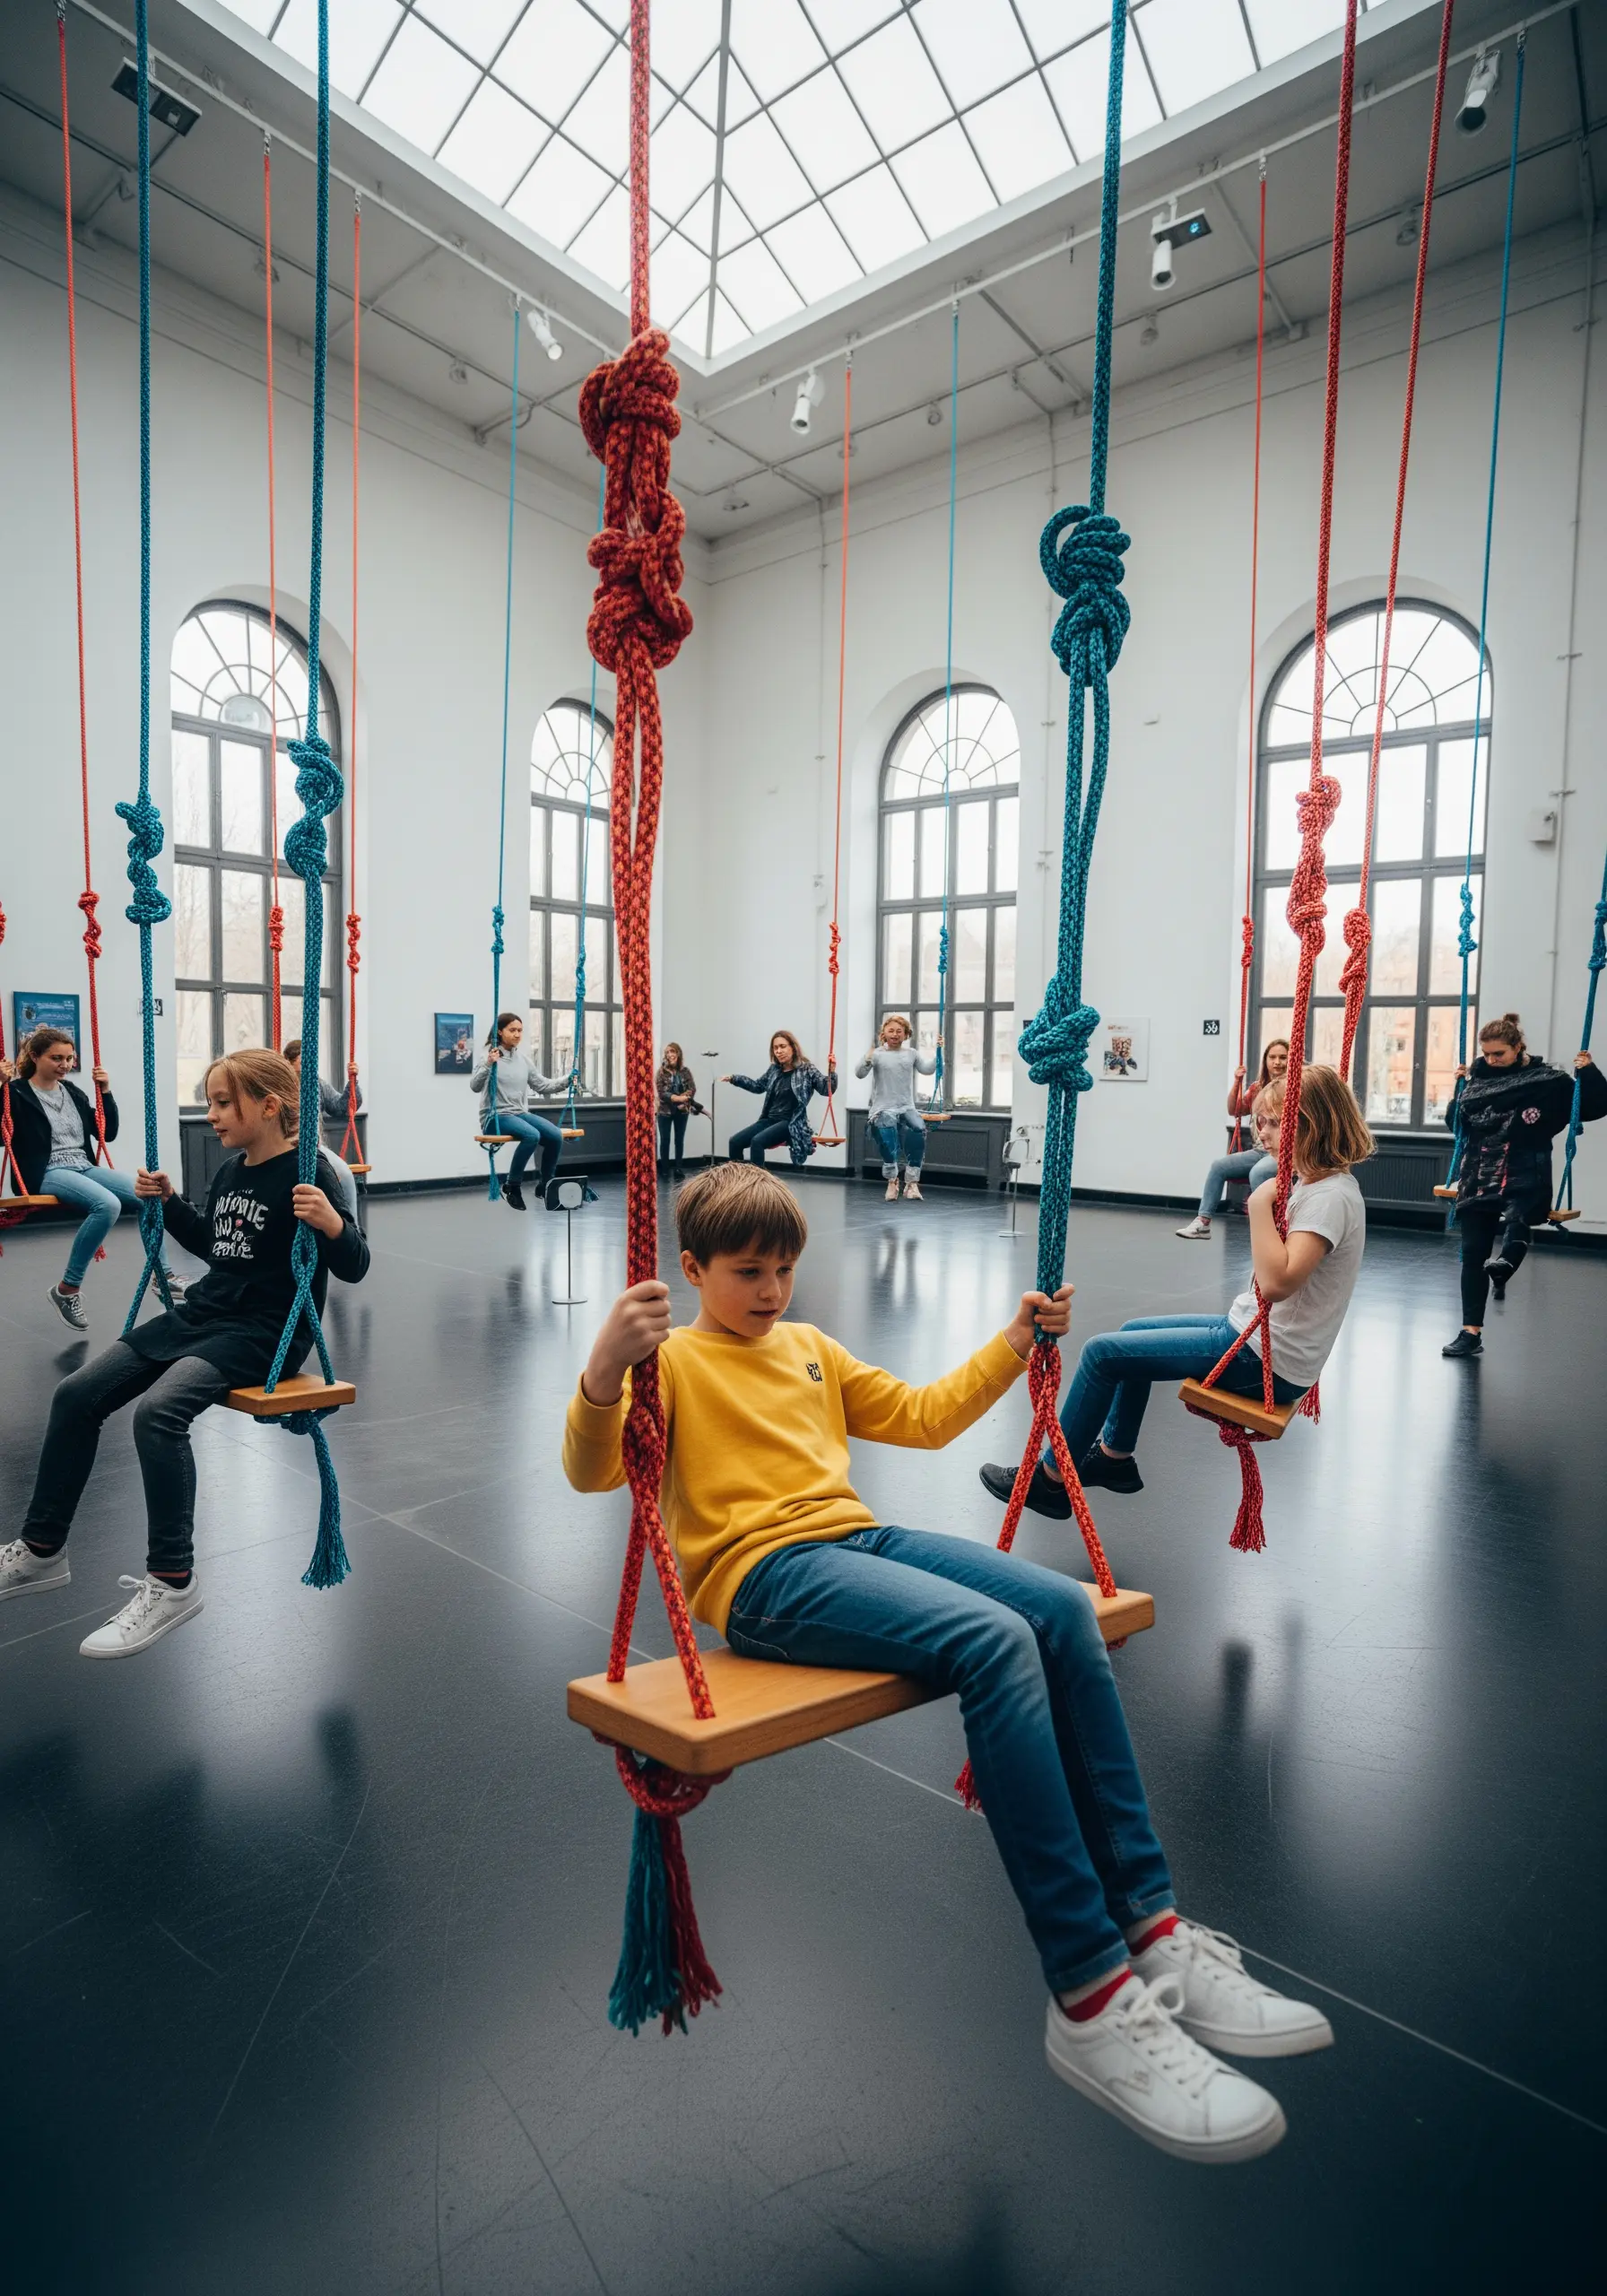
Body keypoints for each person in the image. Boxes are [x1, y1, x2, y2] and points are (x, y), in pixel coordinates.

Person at [565, 1162, 1330, 2162]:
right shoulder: (670, 1364)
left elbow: (923, 1417)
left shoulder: (805, 1347)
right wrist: (603, 1371)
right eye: (748, 1271)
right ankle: (1089, 1992)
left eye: (784, 1269)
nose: (770, 1290)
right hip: (761, 1580)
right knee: (991, 1638)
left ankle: (1150, 1924)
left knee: (1058, 1607)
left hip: (856, 1540)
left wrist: (1016, 1344)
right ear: (692, 1267)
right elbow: (591, 1470)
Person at [0, 1048, 369, 1658]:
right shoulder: (230, 1172)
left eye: (224, 1103)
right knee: (76, 1395)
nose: (213, 1114)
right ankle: (42, 1550)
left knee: (159, 1412)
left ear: (270, 1106)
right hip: (205, 1313)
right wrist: (169, 1205)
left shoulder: (312, 1175)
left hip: (263, 1332)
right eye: (212, 1102)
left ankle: (173, 1582)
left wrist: (331, 1223)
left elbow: (354, 1265)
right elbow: (215, 1247)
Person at [982, 1065, 1371, 1509]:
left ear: (1312, 1124)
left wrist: (1260, 1204)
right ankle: (1114, 1457)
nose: (1261, 1134)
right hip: (1252, 1340)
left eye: (1274, 1122)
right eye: (1259, 1121)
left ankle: (1048, 1481)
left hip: (1266, 1362)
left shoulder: (1329, 1197)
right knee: (1130, 1333)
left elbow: (1279, 1282)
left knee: (1100, 1354)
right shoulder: (1314, 1185)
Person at [1440, 1012, 1605, 1359]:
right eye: (1486, 1054)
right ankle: (1471, 1332)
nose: (1490, 1060)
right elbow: (1457, 1126)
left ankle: (1506, 1265)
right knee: (1472, 1254)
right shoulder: (1476, 1081)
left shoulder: (1547, 1082)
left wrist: (1588, 1072)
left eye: (1498, 1053)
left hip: (1526, 1169)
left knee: (1521, 1213)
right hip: (1479, 1172)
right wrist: (1457, 1091)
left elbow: (1592, 1106)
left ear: (1518, 1047)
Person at [0, 1023, 178, 1328]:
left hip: (83, 1166)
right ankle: (67, 1289)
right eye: (57, 1058)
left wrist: (106, 1092)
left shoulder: (72, 1092)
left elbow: (107, 1132)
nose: (65, 1065)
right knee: (107, 1205)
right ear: (35, 1056)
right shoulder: (15, 1093)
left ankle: (163, 1276)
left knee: (148, 1193)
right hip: (45, 1171)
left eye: (69, 1059)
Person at [1176, 1039, 1290, 1239]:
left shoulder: (1294, 1089)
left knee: (1258, 1173)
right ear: (1266, 1061)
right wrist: (1237, 1082)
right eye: (1272, 1057)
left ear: (1291, 1060)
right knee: (1219, 1166)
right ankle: (1203, 1222)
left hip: (1282, 1153)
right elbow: (1235, 1110)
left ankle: (1267, 1230)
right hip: (1260, 1150)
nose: (1277, 1062)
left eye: (1283, 1057)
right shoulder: (1257, 1088)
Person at [471, 1013, 571, 1211]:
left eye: (520, 1030)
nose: (517, 1034)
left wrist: (567, 1080)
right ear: (500, 1032)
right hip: (495, 1117)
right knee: (532, 1135)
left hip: (519, 1113)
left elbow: (542, 1085)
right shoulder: (489, 1056)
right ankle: (512, 1186)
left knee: (555, 1136)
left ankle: (546, 1185)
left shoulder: (523, 1060)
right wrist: (489, 1064)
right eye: (512, 1030)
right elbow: (475, 1086)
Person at [856, 1013, 938, 1201]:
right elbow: (859, 1073)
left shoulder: (911, 1054)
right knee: (887, 1135)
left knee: (919, 1129)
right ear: (884, 1033)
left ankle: (912, 1183)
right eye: (891, 1030)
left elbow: (928, 1069)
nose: (895, 1034)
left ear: (906, 1034)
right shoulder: (877, 1054)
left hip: (906, 1106)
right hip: (882, 1108)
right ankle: (892, 1180)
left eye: (899, 1031)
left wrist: (938, 1054)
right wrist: (867, 1057)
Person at [723, 1031, 837, 1165]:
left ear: (793, 1048)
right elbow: (758, 1086)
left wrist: (832, 1071)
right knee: (734, 1142)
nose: (778, 1051)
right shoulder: (774, 1070)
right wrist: (735, 1079)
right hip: (769, 1120)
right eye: (775, 1048)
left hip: (791, 1122)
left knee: (757, 1142)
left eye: (782, 1046)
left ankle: (758, 1185)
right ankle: (738, 1182)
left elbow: (826, 1089)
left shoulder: (806, 1069)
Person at [283, 1037, 360, 1222]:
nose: (309, 1066)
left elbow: (340, 1107)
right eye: (304, 1062)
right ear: (288, 1062)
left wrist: (353, 1082)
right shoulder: (280, 1085)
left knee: (344, 1176)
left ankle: (352, 1228)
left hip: (313, 1147)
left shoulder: (316, 1083)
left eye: (312, 1061)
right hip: (284, 1146)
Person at [656, 1043, 697, 1180]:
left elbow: (692, 1089)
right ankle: (665, 1168)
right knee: (665, 1140)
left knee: (679, 1140)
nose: (670, 1055)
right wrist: (678, 1099)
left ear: (678, 1053)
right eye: (667, 1052)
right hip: (664, 1111)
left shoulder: (685, 1071)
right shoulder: (661, 1072)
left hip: (682, 1111)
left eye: (672, 1052)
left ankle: (679, 1167)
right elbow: (662, 1093)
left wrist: (684, 1101)